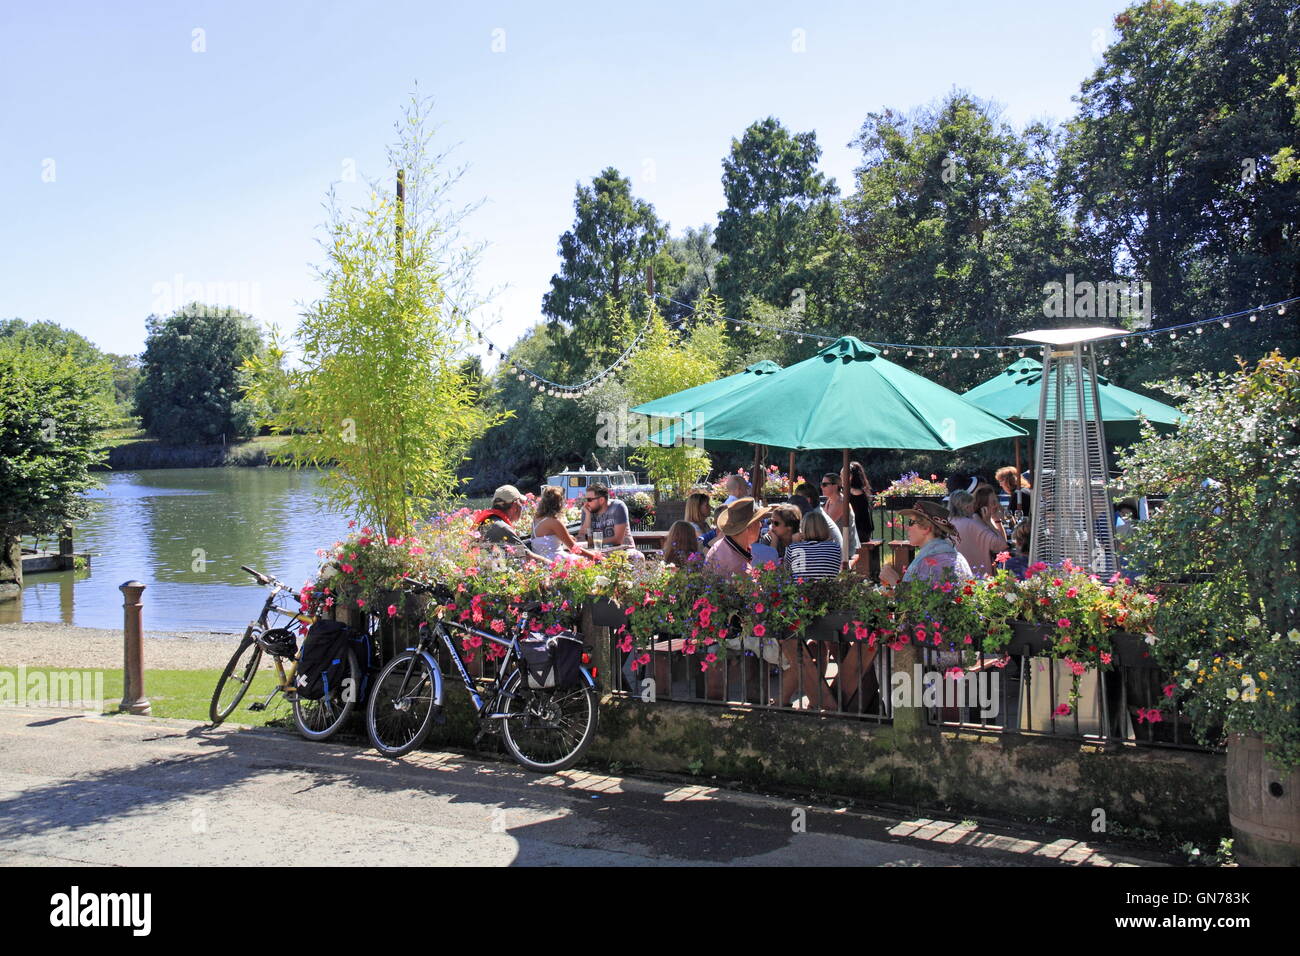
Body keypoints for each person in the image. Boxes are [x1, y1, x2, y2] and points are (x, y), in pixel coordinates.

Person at [706, 497, 822, 709]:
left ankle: (787, 702)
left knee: (796, 646)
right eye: (759, 522)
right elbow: (750, 601)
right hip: (731, 631)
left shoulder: (728, 547)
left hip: (731, 626)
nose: (763, 526)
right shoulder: (733, 558)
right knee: (796, 652)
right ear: (748, 527)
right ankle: (809, 704)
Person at [879, 500, 973, 587]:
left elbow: (913, 602)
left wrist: (894, 582)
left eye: (911, 522)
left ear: (926, 528)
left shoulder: (928, 561)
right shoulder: (955, 555)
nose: (907, 527)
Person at [472, 485, 549, 563]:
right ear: (515, 505)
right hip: (495, 571)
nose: (522, 506)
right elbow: (527, 557)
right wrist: (555, 565)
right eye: (521, 502)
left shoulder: (489, 520)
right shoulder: (502, 527)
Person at [946, 489, 1008, 577]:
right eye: (972, 506)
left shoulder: (945, 524)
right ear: (967, 507)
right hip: (979, 578)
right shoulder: (973, 525)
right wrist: (988, 522)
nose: (974, 509)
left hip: (954, 578)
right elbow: (1001, 545)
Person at [530, 486, 599, 563]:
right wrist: (596, 558)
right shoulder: (554, 522)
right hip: (555, 562)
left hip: (542, 562)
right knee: (593, 560)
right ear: (559, 503)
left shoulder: (536, 518)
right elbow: (574, 548)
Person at [784, 510, 843, 580]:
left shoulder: (792, 548)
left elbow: (787, 572)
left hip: (800, 589)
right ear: (824, 527)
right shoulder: (835, 548)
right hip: (828, 589)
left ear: (804, 529)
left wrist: (794, 543)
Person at [578, 483, 636, 550]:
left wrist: (593, 542)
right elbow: (581, 538)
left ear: (601, 500)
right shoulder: (587, 510)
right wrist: (588, 516)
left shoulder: (617, 507)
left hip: (624, 550)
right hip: (597, 552)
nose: (586, 503)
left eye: (589, 500)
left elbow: (618, 540)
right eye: (586, 499)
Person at [821, 472, 860, 557]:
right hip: (835, 545)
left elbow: (825, 527)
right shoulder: (829, 501)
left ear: (835, 486)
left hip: (845, 549)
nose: (821, 487)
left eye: (824, 484)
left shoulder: (841, 503)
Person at [847, 461, 874, 545]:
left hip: (861, 532)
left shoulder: (856, 492)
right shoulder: (861, 490)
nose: (842, 477)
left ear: (851, 476)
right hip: (862, 531)